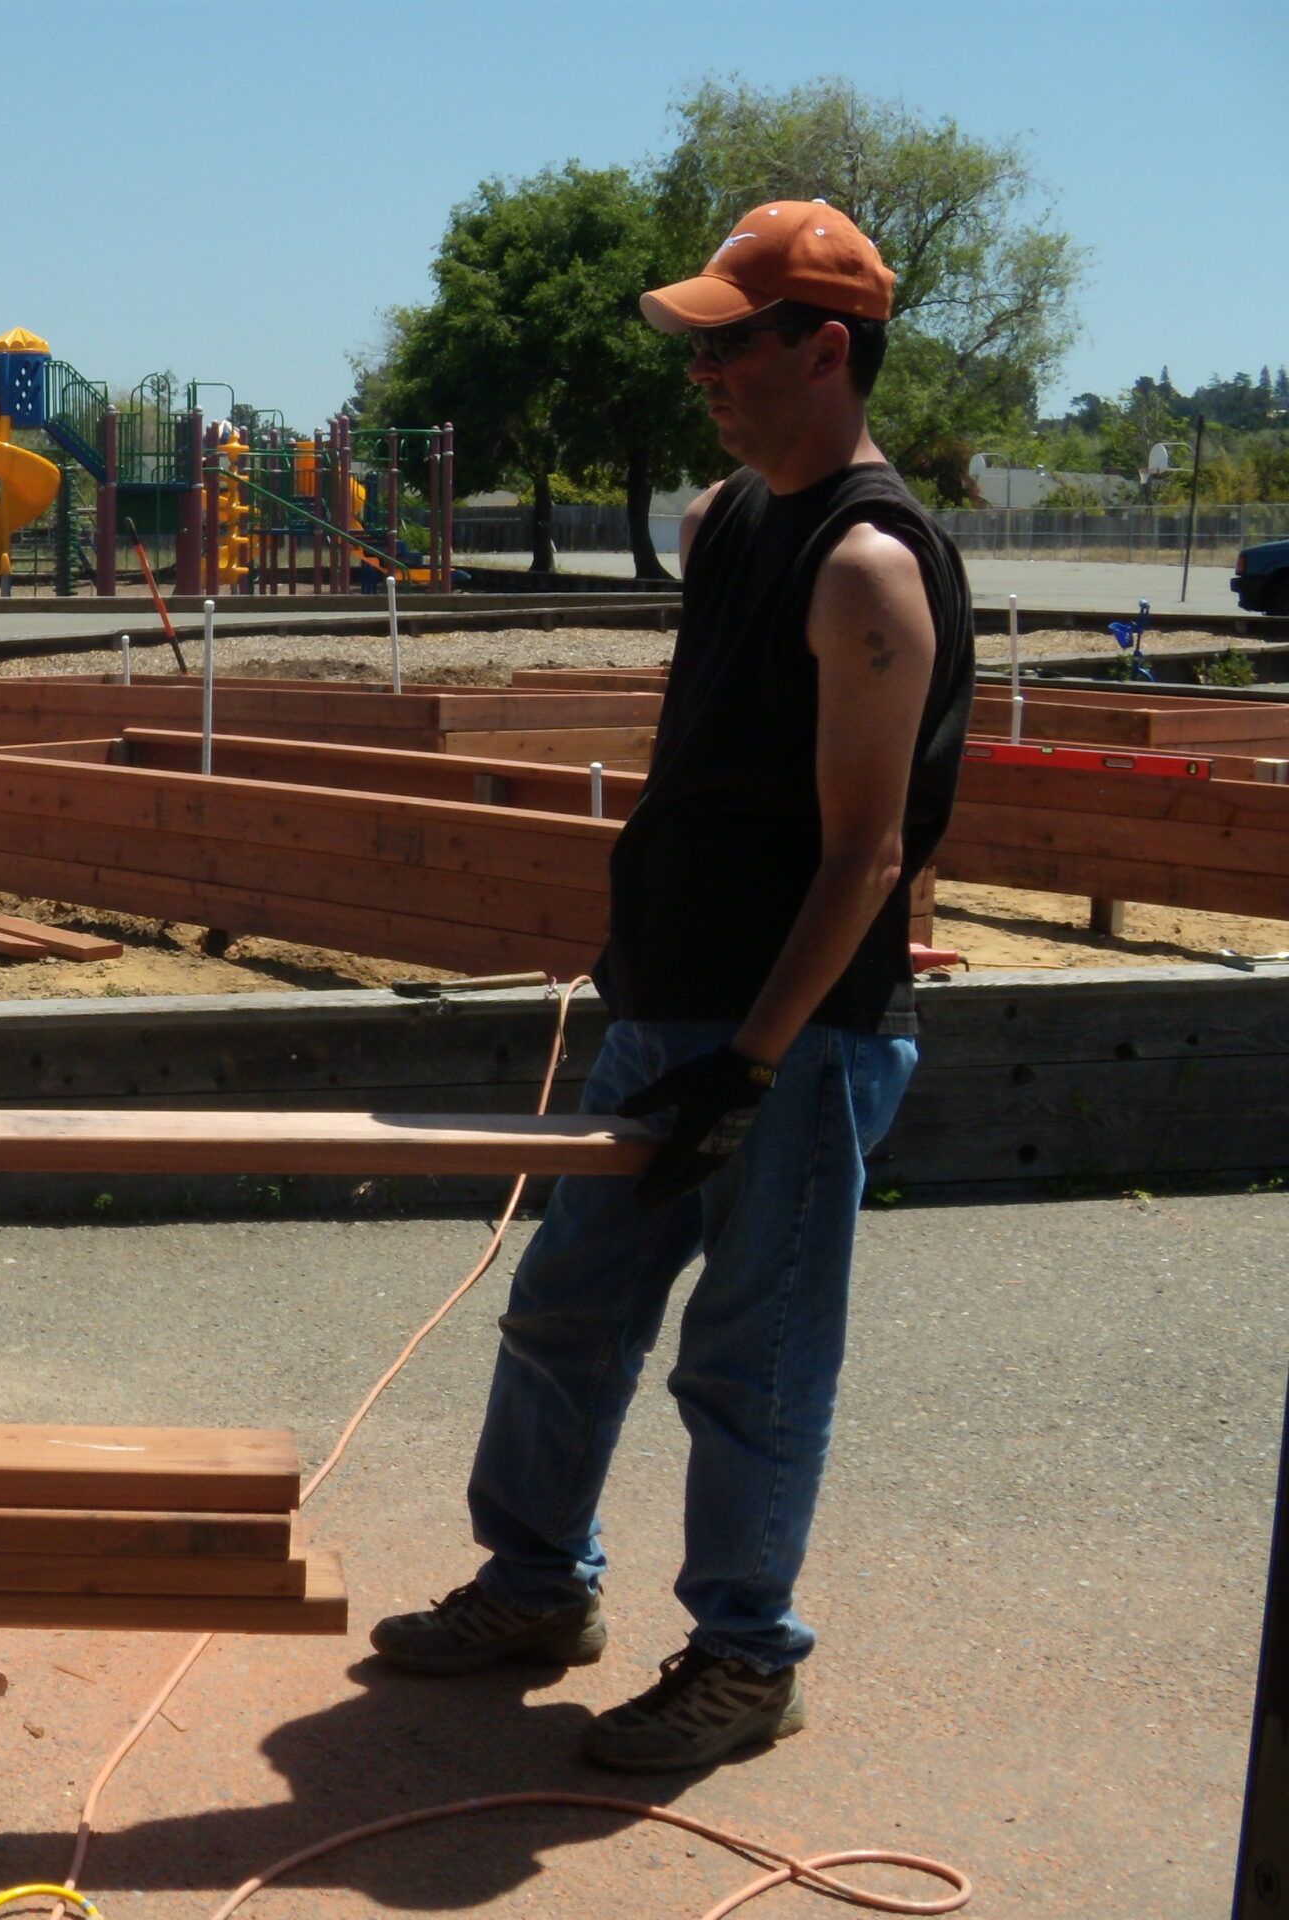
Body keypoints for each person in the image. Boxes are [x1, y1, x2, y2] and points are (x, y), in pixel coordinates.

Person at [370, 201, 975, 1771]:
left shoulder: (867, 568)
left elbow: (864, 853)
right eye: (697, 342)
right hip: (665, 1007)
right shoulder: (728, 523)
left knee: (750, 1356)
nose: (702, 370)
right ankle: (535, 1587)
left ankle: (743, 1658)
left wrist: (754, 1063)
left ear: (824, 349)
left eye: (731, 341)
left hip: (793, 1043)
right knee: (567, 1306)